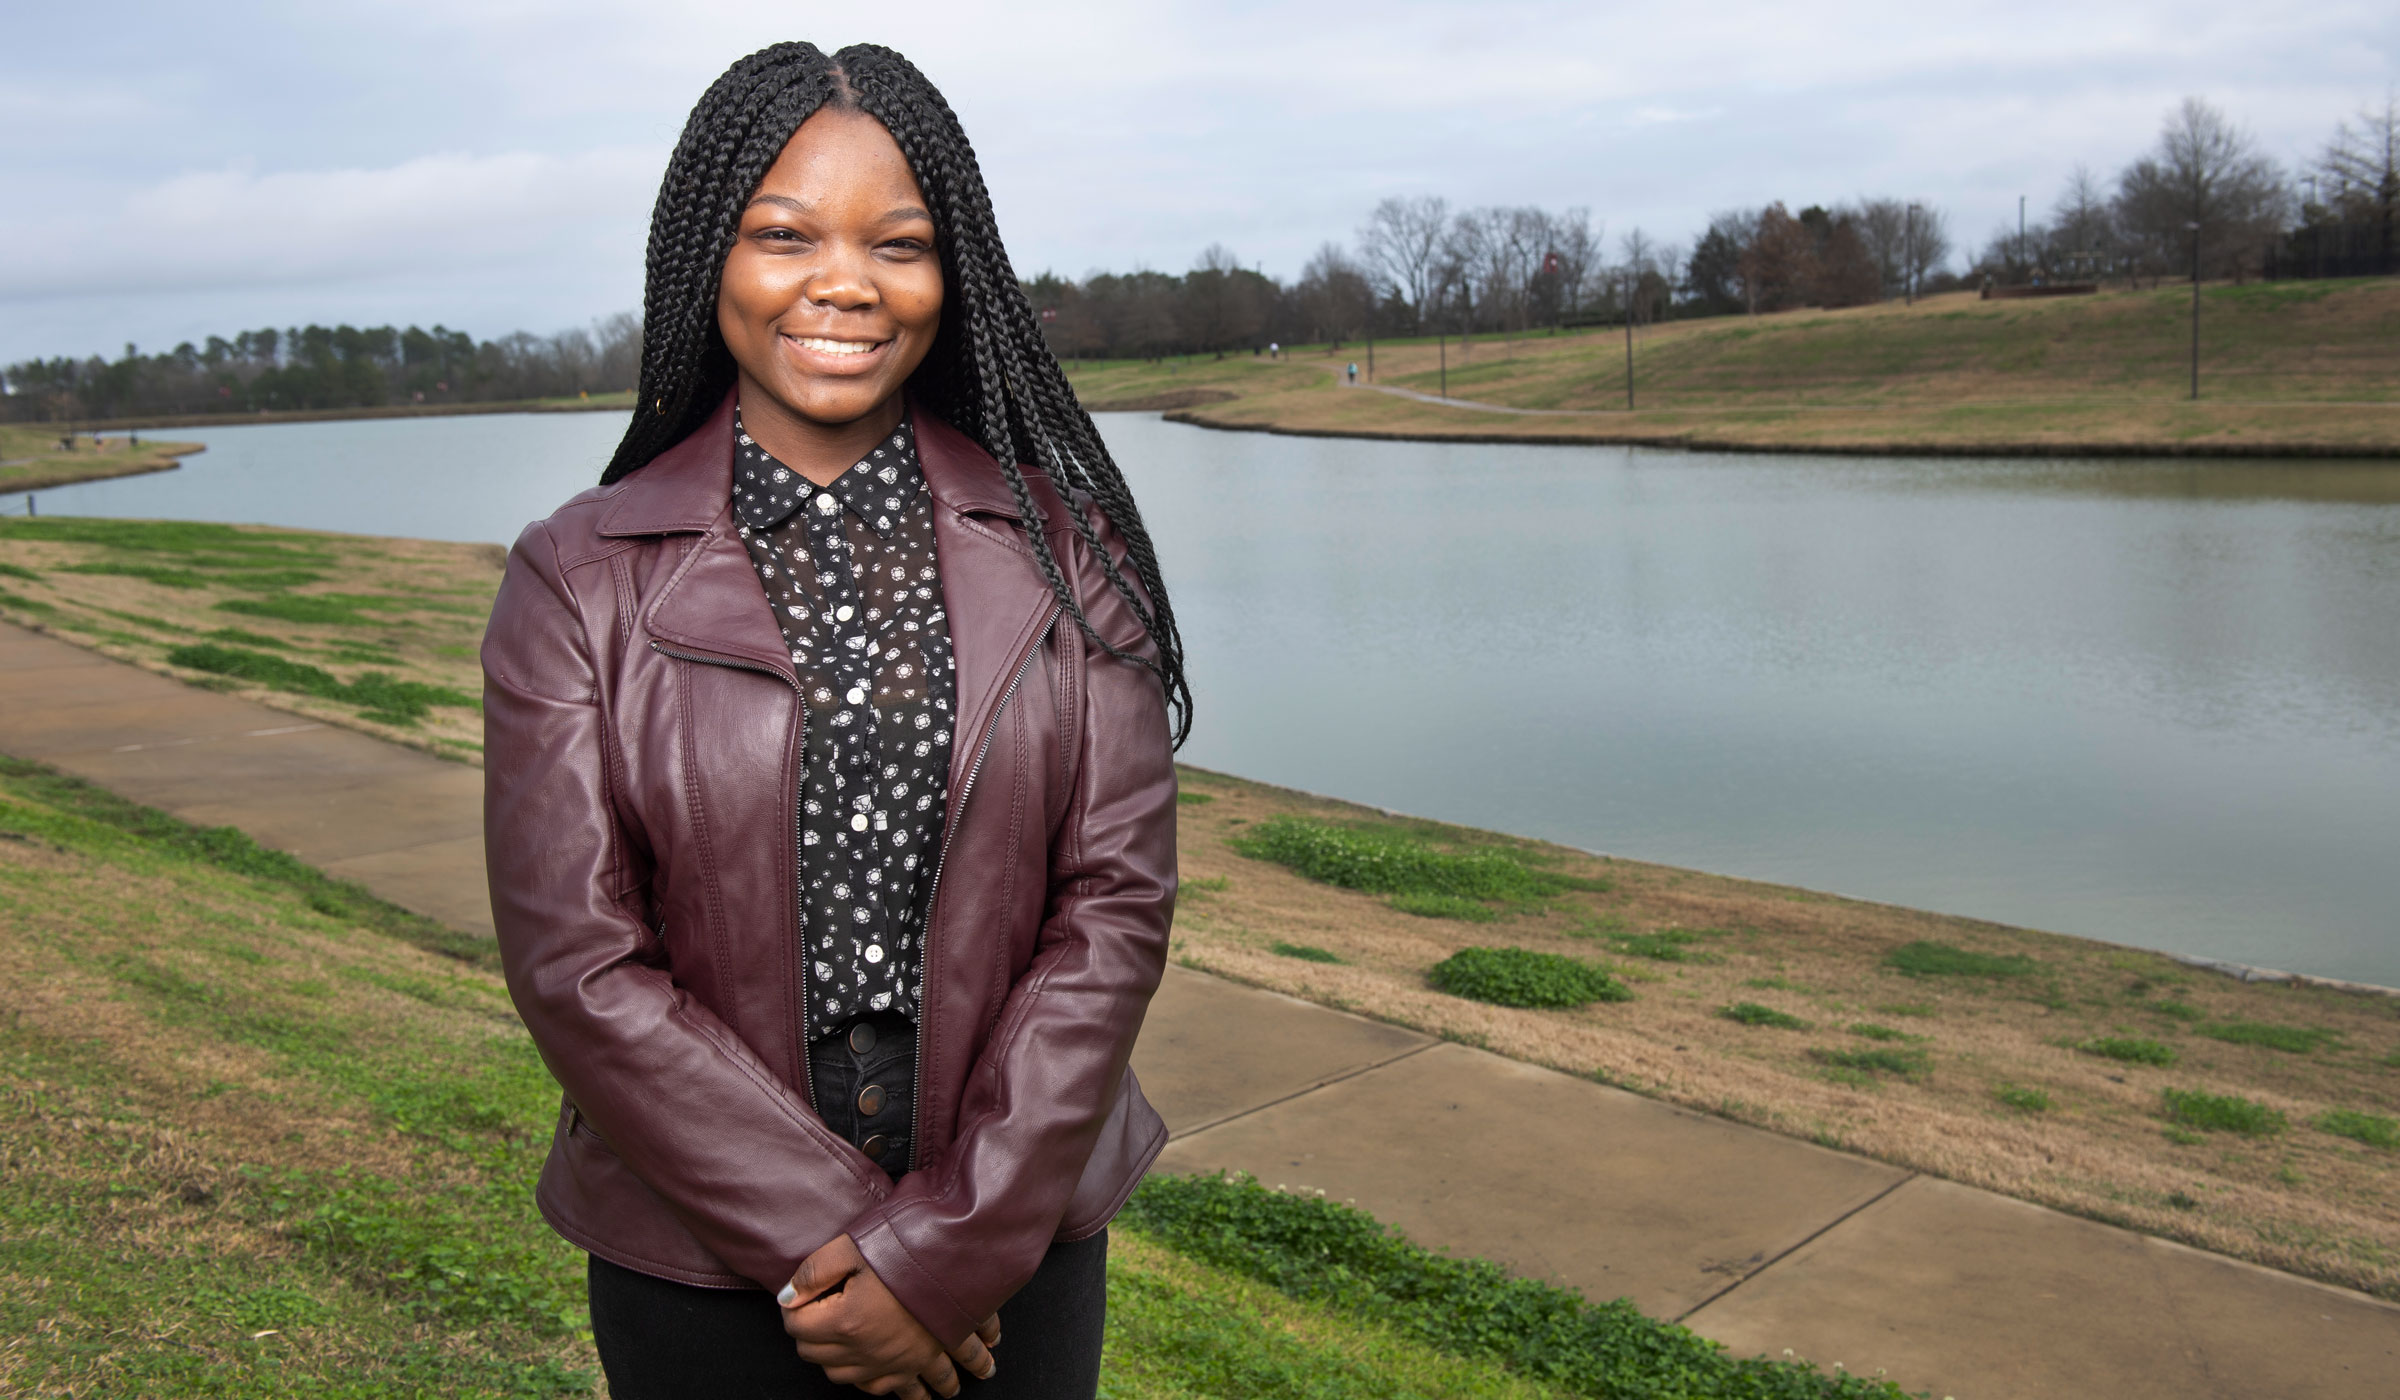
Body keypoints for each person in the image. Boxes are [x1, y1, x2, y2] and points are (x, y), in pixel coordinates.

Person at [481, 42, 1189, 1400]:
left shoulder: (1068, 546)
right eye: (784, 233)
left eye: (899, 242)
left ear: (952, 273)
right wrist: (844, 1247)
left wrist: (949, 1249)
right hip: (702, 1259)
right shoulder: (577, 575)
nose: (845, 281)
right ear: (711, 261)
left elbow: (1114, 910)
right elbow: (578, 958)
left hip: (1012, 1240)